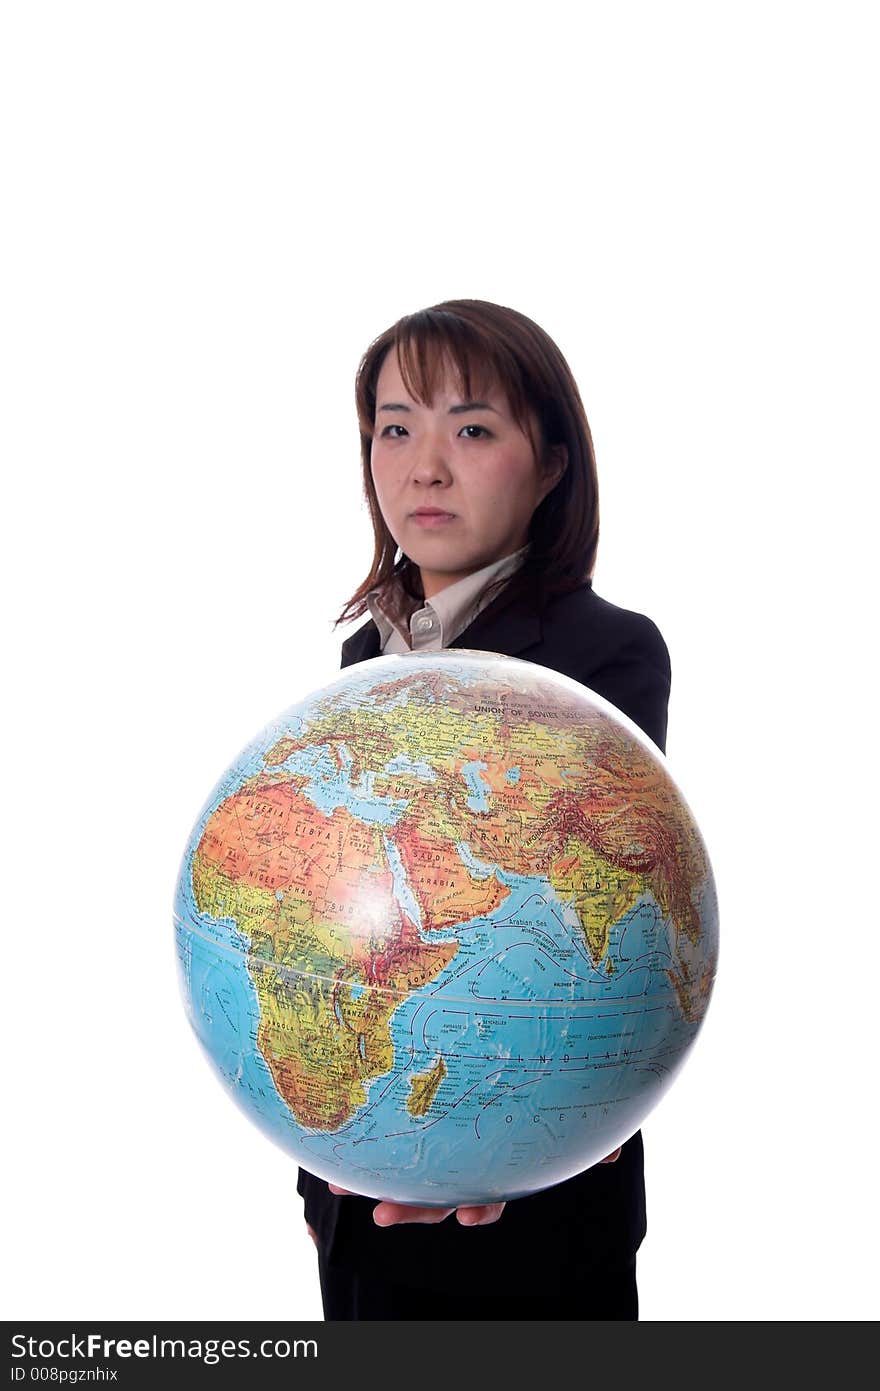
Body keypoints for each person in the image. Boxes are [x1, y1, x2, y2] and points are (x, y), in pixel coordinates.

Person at [297, 298, 672, 1320]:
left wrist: (496, 1141)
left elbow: (592, 928)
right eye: (394, 426)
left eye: (471, 428)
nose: (424, 465)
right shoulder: (361, 664)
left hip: (534, 1206)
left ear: (549, 463)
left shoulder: (603, 655)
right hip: (364, 1175)